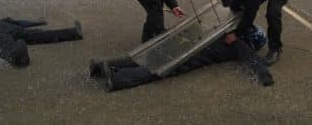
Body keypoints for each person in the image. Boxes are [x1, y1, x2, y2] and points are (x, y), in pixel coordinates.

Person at [89, 25, 272, 91]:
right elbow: (254, 61)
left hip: (188, 44)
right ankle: (116, 77)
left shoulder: (228, 33)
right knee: (158, 70)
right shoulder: (239, 46)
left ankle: (104, 65)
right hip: (192, 56)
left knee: (150, 57)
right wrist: (265, 76)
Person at [216, 0, 291, 66]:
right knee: (236, 6)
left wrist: (236, 34)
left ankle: (275, 49)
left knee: (272, 14)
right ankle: (246, 31)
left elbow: (250, 14)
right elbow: (234, 5)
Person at [0, 17, 83, 67]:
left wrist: (38, 22)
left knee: (3, 44)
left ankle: (17, 57)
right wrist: (38, 22)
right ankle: (73, 33)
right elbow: (16, 22)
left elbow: (14, 22)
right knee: (35, 35)